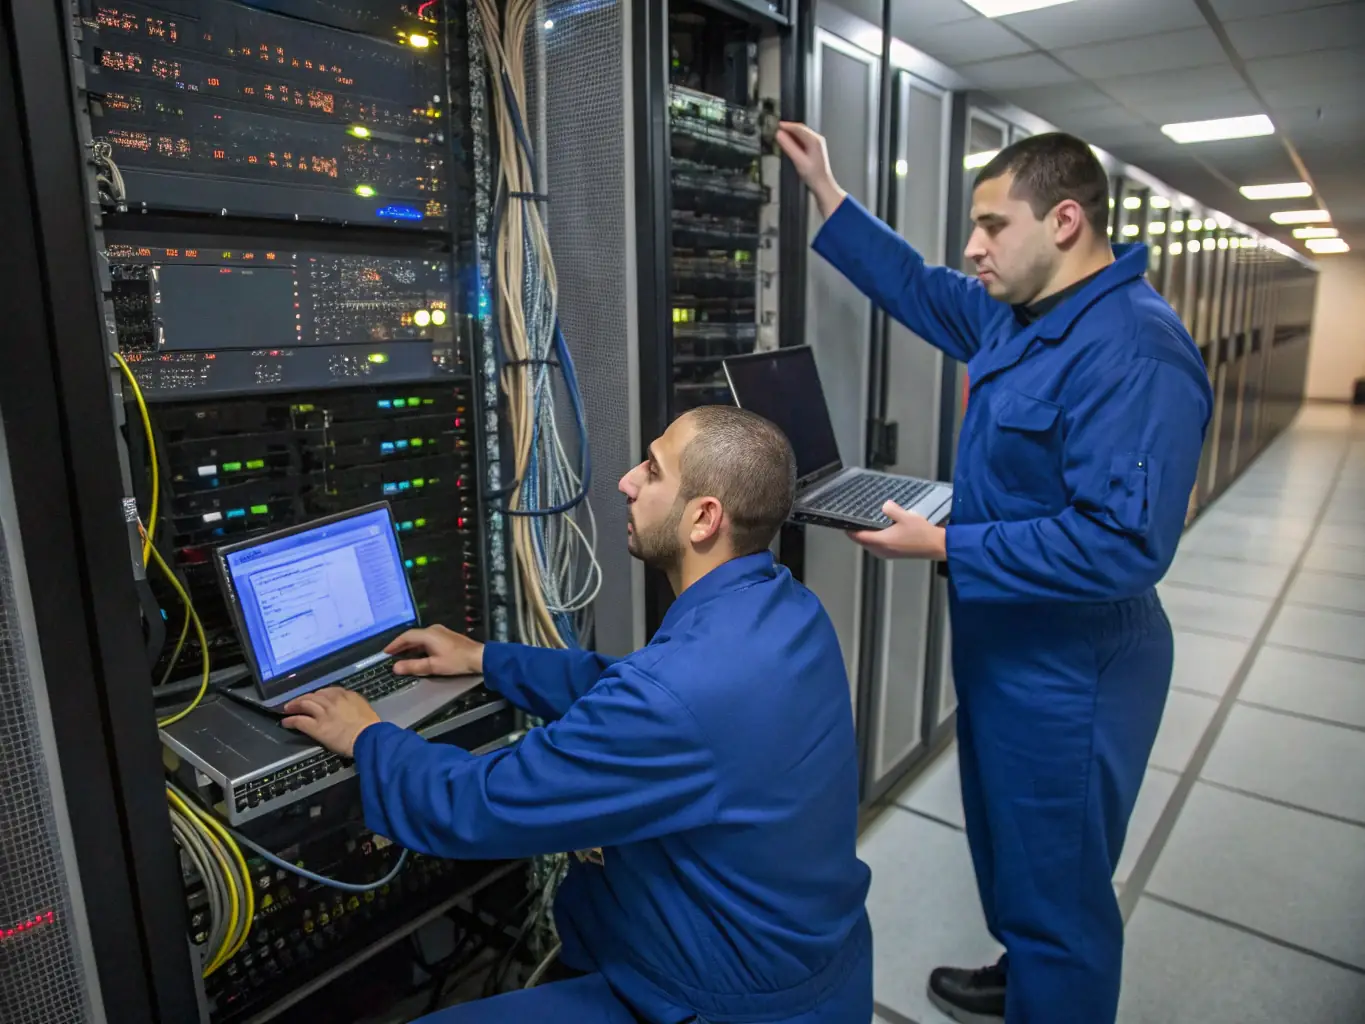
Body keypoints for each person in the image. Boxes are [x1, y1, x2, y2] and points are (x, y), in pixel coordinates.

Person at [778, 125, 1213, 1023]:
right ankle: (1025, 972)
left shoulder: (1133, 350)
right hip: (1008, 643)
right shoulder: (1015, 309)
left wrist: (947, 546)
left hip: (1074, 664)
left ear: (1063, 220)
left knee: (1062, 889)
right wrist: (826, 189)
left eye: (989, 225)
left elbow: (1122, 546)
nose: (971, 248)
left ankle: (1051, 985)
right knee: (1019, 851)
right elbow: (912, 284)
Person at [280, 405, 873, 1024]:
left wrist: (368, 736)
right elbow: (628, 689)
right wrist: (487, 658)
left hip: (727, 1003)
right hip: (818, 963)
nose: (627, 480)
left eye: (652, 467)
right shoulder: (790, 610)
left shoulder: (675, 694)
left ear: (703, 518)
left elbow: (480, 804)